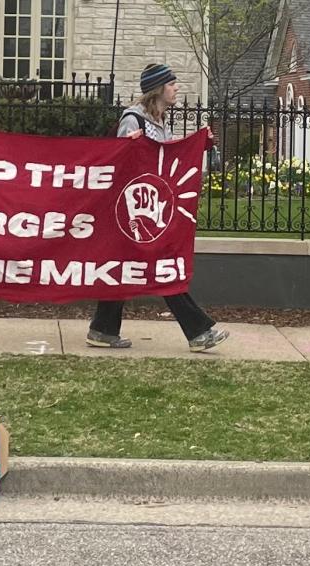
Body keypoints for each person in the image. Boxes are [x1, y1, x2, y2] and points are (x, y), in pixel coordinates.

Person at [86, 63, 228, 352]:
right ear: (158, 88)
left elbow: (163, 160)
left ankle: (102, 328)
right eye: (172, 83)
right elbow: (121, 161)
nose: (177, 88)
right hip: (131, 212)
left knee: (129, 269)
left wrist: (196, 146)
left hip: (149, 208)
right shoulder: (133, 120)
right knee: (162, 269)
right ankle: (199, 332)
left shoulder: (160, 121)